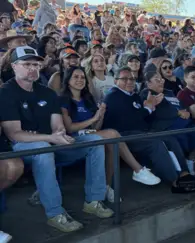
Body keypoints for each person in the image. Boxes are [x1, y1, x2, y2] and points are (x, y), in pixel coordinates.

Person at [0, 46, 113, 232]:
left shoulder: (47, 93)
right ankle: (55, 214)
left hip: (51, 143)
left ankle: (94, 200)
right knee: (43, 149)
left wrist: (60, 134)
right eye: (27, 64)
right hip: (21, 148)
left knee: (95, 142)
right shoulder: (6, 92)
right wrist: (51, 137)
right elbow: (15, 134)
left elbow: (57, 124)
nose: (32, 68)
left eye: (36, 65)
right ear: (14, 66)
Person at [59, 66, 161, 202]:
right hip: (72, 139)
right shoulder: (63, 100)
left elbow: (96, 128)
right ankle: (138, 170)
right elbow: (69, 128)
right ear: (68, 80)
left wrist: (100, 116)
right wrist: (94, 119)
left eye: (82, 77)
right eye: (76, 77)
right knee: (113, 134)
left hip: (89, 134)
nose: (80, 80)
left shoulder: (88, 99)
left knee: (112, 144)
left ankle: (106, 187)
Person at [103, 66, 195, 193]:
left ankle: (184, 173)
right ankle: (174, 181)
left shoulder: (134, 96)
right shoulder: (113, 96)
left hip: (142, 131)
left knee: (170, 138)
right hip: (123, 135)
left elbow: (141, 116)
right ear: (116, 81)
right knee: (156, 144)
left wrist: (151, 107)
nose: (129, 81)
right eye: (124, 79)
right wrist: (149, 107)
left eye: (132, 79)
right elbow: (131, 119)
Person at [141, 71, 195, 176]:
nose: (161, 81)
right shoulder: (147, 93)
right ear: (149, 83)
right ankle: (183, 170)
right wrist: (178, 113)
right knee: (179, 138)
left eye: (161, 79)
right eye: (156, 79)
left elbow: (181, 105)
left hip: (185, 123)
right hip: (166, 127)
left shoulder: (169, 92)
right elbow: (158, 113)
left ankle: (190, 159)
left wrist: (185, 111)